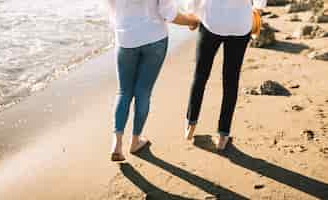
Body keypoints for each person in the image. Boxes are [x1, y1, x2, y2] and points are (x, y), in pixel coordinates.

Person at [108, 0, 199, 161]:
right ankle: (135, 141)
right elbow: (168, 13)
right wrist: (192, 21)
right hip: (154, 39)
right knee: (143, 93)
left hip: (126, 39)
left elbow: (111, 9)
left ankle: (117, 143)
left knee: (124, 92)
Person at [185, 0, 267, 150]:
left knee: (200, 75)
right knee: (231, 80)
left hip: (212, 20)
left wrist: (192, 13)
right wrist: (258, 9)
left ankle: (191, 125)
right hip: (240, 24)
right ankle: (223, 136)